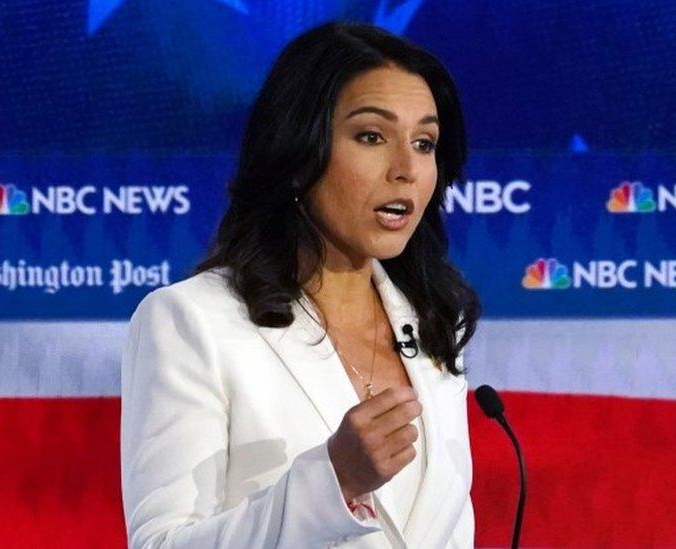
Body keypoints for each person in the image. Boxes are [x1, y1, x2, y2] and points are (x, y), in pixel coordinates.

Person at [120, 21, 481, 548]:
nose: (406, 169)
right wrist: (333, 484)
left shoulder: (431, 324)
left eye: (424, 142)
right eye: (371, 136)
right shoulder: (190, 322)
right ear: (297, 154)